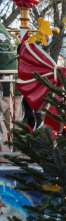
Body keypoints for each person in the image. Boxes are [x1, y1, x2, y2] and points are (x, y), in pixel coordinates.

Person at [0, 24, 21, 152]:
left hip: (3, 84)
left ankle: (4, 155)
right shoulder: (2, 27)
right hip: (15, 79)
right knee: (15, 124)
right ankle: (22, 153)